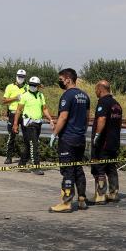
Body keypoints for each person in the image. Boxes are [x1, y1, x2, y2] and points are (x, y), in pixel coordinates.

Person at [49, 68, 91, 213]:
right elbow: (87, 118)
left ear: (68, 79)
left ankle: (66, 203)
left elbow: (63, 117)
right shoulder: (84, 95)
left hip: (67, 138)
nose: (60, 82)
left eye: (61, 79)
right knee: (78, 169)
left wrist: (55, 134)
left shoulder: (67, 96)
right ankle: (82, 200)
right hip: (80, 138)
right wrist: (81, 131)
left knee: (67, 170)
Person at [12, 76, 54, 175]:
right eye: (31, 85)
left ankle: (21, 164)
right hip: (29, 124)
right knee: (34, 145)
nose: (33, 87)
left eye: (35, 85)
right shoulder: (24, 95)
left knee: (28, 144)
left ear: (38, 86)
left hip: (38, 123)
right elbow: (18, 110)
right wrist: (15, 124)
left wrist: (50, 119)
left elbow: (44, 109)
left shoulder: (40, 95)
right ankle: (36, 167)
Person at [90, 80, 122, 204]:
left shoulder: (103, 102)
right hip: (114, 142)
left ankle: (100, 195)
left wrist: (97, 135)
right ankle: (114, 193)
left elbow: (102, 118)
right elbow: (117, 123)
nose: (95, 92)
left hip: (103, 142)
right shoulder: (116, 104)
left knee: (99, 167)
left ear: (100, 88)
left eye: (96, 89)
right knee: (111, 167)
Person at [2, 69, 28, 164]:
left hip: (25, 114)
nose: (20, 78)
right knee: (11, 136)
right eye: (19, 76)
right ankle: (8, 157)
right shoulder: (10, 87)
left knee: (27, 137)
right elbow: (4, 101)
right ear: (16, 76)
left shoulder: (28, 87)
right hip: (13, 114)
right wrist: (15, 98)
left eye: (22, 77)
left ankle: (25, 158)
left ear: (25, 77)